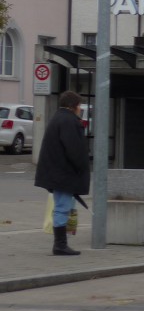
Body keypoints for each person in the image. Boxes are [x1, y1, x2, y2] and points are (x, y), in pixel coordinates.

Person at [34, 91, 89, 257]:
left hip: (56, 171)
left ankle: (61, 243)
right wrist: (81, 166)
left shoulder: (57, 118)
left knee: (62, 206)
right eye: (79, 105)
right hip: (64, 173)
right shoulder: (69, 121)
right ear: (74, 106)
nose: (80, 109)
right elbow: (74, 148)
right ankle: (60, 245)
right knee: (62, 207)